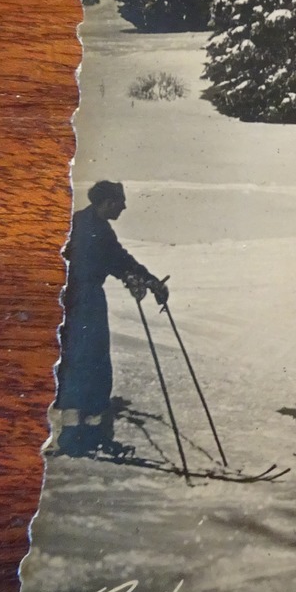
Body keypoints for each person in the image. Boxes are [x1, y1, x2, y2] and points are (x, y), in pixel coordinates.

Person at [56, 180, 167, 458]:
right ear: (107, 202)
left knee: (97, 364)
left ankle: (92, 434)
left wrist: (149, 280)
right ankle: (71, 436)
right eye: (121, 202)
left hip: (91, 299)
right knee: (79, 363)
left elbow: (119, 259)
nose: (125, 206)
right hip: (73, 301)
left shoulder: (101, 229)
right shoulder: (77, 225)